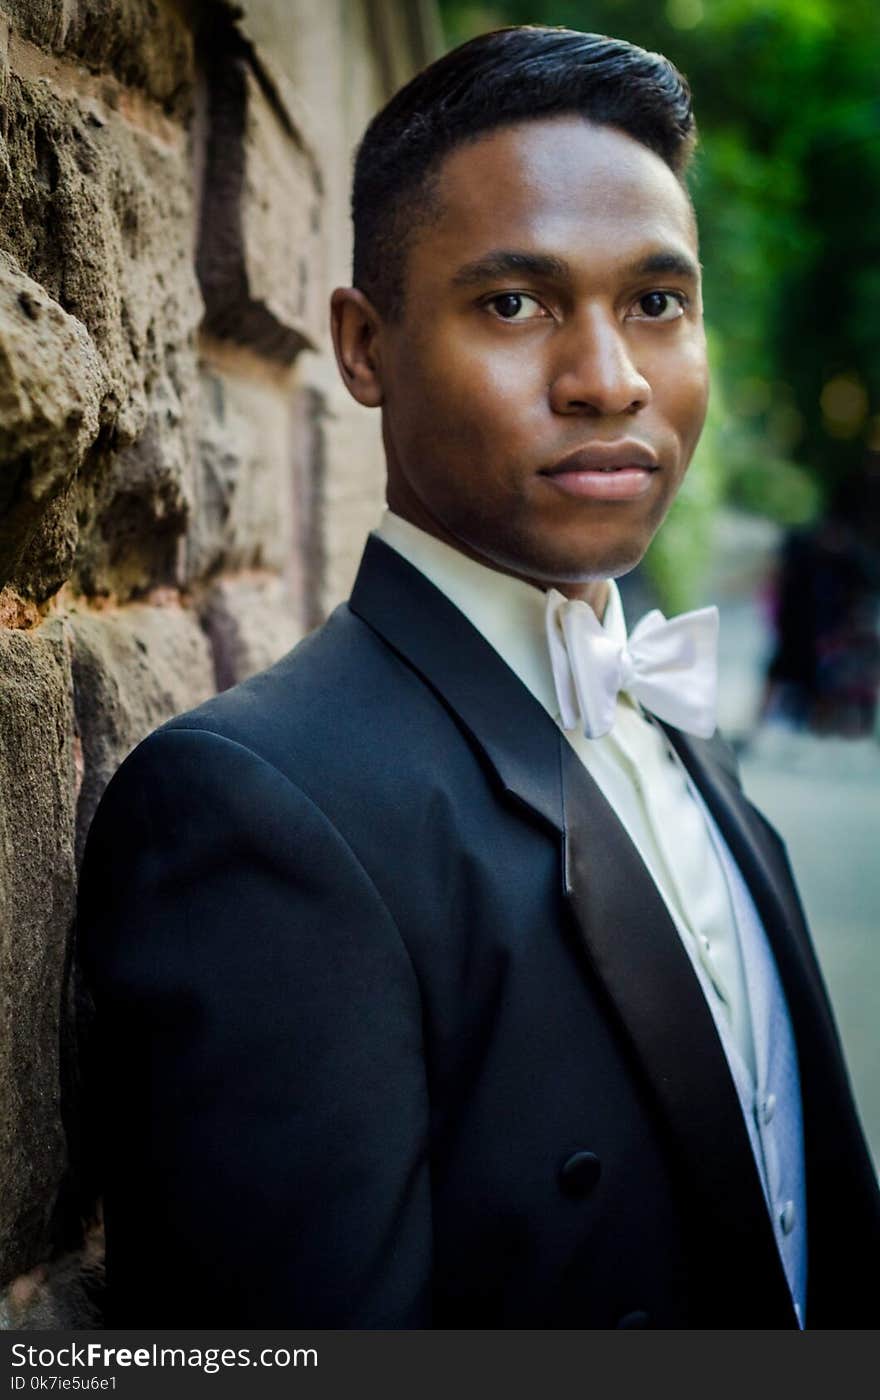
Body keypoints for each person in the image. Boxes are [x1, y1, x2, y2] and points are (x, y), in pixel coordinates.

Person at [76, 26, 879, 1329]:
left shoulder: (669, 709)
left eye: (657, 304)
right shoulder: (257, 815)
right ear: (364, 344)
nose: (609, 380)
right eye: (515, 303)